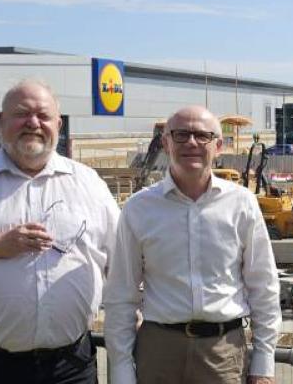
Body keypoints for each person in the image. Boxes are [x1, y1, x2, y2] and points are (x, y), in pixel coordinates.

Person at [0, 79, 120, 384]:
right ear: (1, 121)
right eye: (21, 114)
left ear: (58, 123)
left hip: (70, 367)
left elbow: (121, 260)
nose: (33, 123)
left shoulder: (89, 184)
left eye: (43, 115)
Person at [104, 106, 280, 384]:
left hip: (222, 353)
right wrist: (122, 373)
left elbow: (264, 287)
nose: (191, 143)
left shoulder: (242, 204)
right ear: (166, 143)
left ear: (219, 146)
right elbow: (121, 295)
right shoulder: (139, 209)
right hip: (158, 351)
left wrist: (263, 363)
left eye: (202, 135)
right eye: (181, 134)